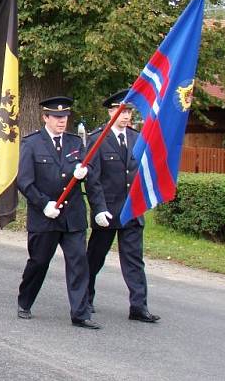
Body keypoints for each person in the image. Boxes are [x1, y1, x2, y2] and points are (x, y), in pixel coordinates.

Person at [16, 96, 100, 329]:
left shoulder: (75, 142)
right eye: (56, 117)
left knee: (78, 262)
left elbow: (87, 167)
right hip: (44, 216)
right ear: (45, 117)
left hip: (72, 215)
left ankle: (80, 313)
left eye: (64, 117)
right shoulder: (32, 143)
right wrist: (44, 204)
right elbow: (24, 181)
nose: (62, 121)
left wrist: (85, 171)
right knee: (39, 261)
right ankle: (25, 300)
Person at [85, 90, 160, 323]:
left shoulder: (138, 138)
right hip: (107, 212)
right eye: (121, 111)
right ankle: (85, 298)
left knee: (134, 261)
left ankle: (138, 306)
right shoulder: (98, 139)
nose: (126, 116)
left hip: (131, 212)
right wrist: (98, 209)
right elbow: (93, 178)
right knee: (94, 259)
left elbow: (141, 174)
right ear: (110, 112)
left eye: (128, 111)